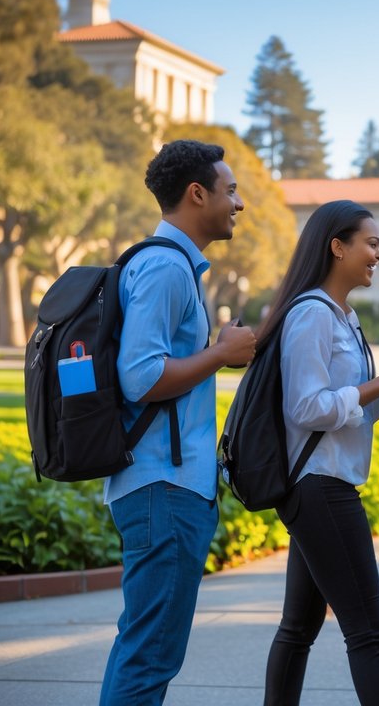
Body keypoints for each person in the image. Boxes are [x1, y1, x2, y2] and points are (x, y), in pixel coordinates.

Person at [101, 139, 258, 704]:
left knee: (148, 650)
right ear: (198, 194)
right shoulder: (166, 268)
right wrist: (221, 353)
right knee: (149, 656)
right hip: (162, 489)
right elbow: (140, 378)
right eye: (230, 190)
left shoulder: (171, 266)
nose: (238, 203)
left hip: (165, 487)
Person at [262, 200, 379, 705]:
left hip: (323, 483)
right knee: (369, 635)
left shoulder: (343, 315)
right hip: (321, 488)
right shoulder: (312, 314)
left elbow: (345, 410)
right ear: (337, 246)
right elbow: (307, 408)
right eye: (371, 244)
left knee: (299, 627)